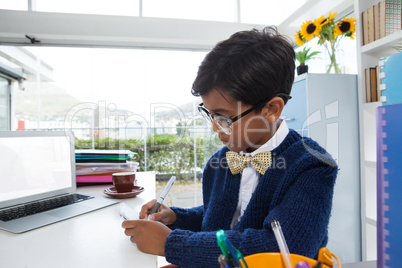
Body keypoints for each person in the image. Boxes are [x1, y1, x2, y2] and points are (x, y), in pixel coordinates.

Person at [122, 26, 338, 267]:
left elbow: (284, 247)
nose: (215, 127)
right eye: (210, 115)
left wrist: (171, 243)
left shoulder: (312, 166)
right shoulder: (220, 161)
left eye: (224, 118)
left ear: (271, 109)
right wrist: (177, 218)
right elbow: (222, 220)